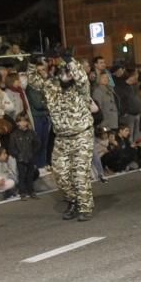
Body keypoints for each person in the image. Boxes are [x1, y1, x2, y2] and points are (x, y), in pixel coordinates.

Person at [27, 54, 95, 221]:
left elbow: (81, 76)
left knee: (80, 174)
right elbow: (33, 81)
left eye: (69, 72)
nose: (67, 75)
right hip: (62, 138)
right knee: (61, 174)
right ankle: (73, 200)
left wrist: (70, 59)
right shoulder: (50, 86)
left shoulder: (80, 88)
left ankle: (85, 207)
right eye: (64, 72)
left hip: (81, 135)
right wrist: (31, 63)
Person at [6, 116, 40, 199]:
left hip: (30, 157)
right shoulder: (14, 134)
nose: (23, 123)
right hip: (20, 158)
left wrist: (33, 152)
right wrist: (17, 155)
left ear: (27, 122)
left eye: (24, 121)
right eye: (20, 121)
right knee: (21, 175)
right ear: (17, 123)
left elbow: (37, 143)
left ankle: (31, 191)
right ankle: (22, 192)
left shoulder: (32, 133)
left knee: (30, 175)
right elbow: (11, 147)